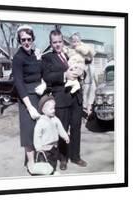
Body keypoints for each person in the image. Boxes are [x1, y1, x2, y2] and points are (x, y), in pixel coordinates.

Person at [42, 29, 87, 170]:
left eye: (60, 41)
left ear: (63, 41)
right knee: (62, 130)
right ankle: (63, 159)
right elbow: (47, 77)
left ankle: (75, 156)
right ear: (51, 43)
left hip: (76, 97)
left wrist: (81, 73)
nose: (57, 45)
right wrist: (64, 75)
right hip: (61, 98)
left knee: (76, 128)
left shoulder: (71, 53)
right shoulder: (47, 58)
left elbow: (81, 65)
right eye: (54, 42)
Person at [12, 25, 45, 174]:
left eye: (29, 39)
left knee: (40, 129)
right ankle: (30, 163)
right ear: (19, 40)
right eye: (23, 39)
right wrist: (29, 107)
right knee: (28, 131)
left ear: (33, 39)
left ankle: (39, 158)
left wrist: (44, 83)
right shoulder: (18, 58)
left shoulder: (35, 54)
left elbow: (41, 72)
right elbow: (18, 83)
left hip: (39, 95)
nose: (26, 42)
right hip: (27, 98)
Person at [33, 95, 70, 173]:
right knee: (46, 165)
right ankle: (48, 176)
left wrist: (65, 136)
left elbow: (60, 129)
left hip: (54, 147)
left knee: (54, 162)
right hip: (44, 149)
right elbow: (37, 136)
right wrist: (38, 147)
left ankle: (53, 171)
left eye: (54, 108)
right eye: (51, 109)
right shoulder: (40, 122)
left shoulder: (55, 119)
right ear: (43, 110)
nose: (53, 110)